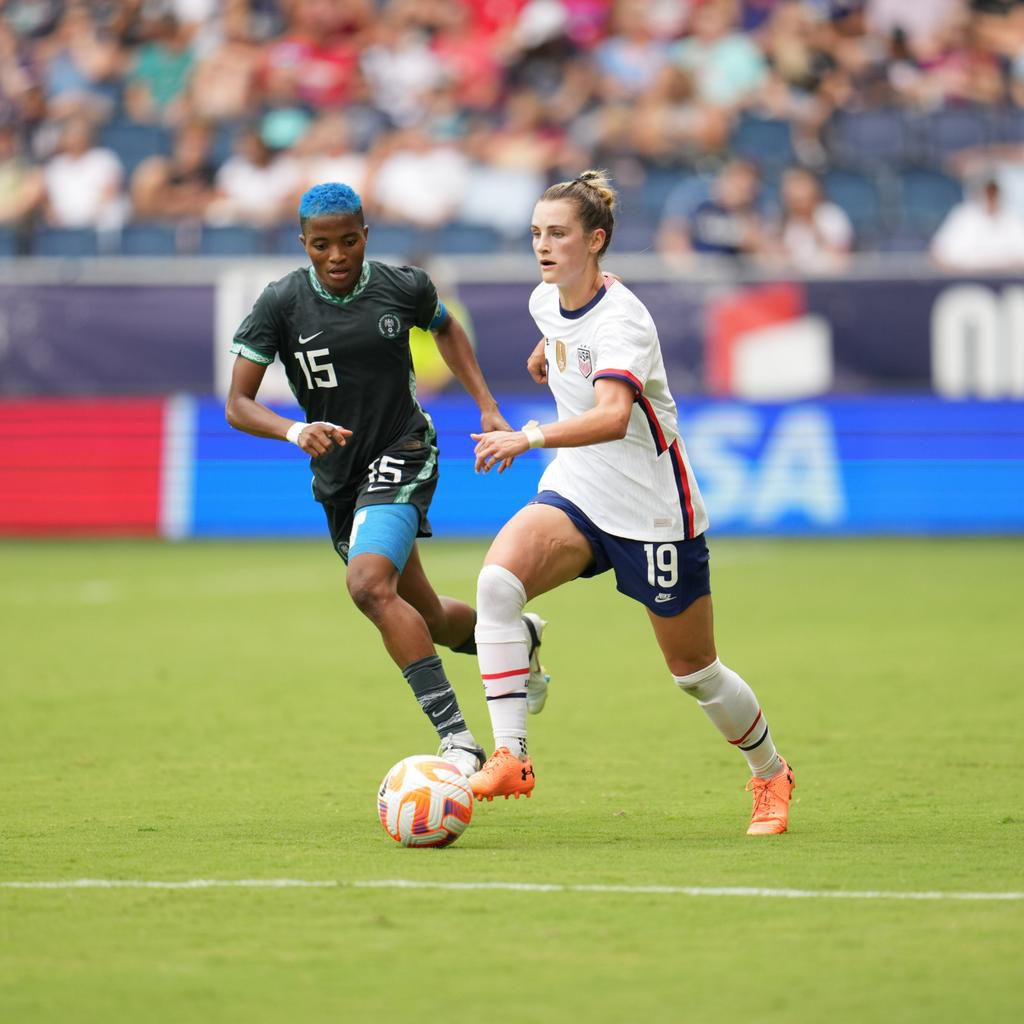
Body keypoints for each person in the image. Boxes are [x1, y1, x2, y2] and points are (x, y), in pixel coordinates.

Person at [467, 170, 795, 836]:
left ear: (596, 240)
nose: (543, 245)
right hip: (579, 488)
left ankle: (770, 773)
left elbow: (615, 414)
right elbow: (561, 333)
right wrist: (547, 354)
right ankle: (511, 756)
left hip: (651, 510)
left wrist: (527, 436)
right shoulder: (546, 300)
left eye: (557, 233)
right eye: (536, 233)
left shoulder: (625, 320)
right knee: (497, 584)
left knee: (695, 673)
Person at [224, 182, 547, 777]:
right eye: (322, 245)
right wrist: (295, 431)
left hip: (403, 449)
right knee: (428, 616)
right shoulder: (281, 303)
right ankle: (515, 640)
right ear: (305, 244)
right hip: (339, 479)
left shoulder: (404, 287)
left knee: (369, 585)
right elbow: (238, 404)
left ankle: (458, 739)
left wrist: (486, 405)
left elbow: (446, 327)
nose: (338, 256)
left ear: (365, 236)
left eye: (349, 241)